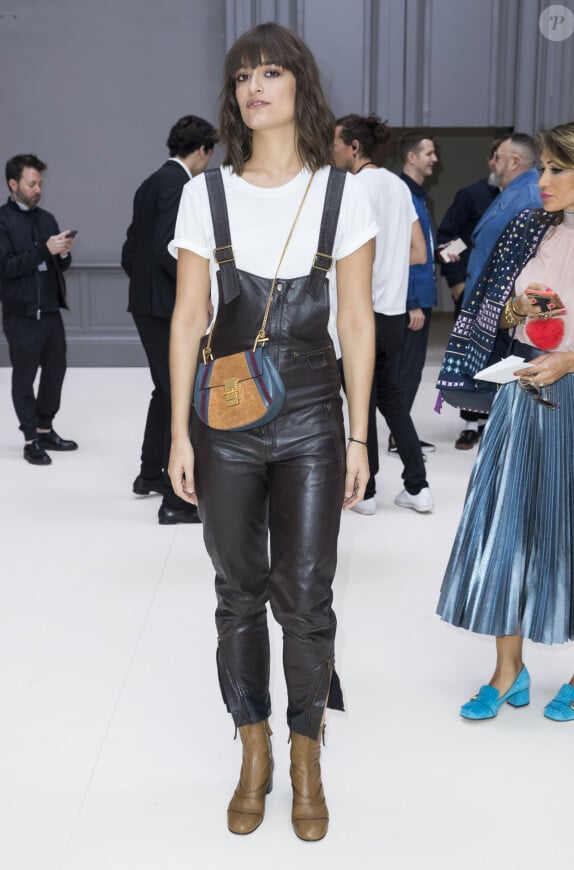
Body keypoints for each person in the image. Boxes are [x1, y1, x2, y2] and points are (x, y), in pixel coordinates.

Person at [167, 23, 376, 839]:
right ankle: (252, 750)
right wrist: (179, 437)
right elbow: (189, 319)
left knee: (307, 595)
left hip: (316, 416)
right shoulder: (203, 194)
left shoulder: (342, 192)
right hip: (225, 416)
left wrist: (361, 437)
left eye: (272, 72)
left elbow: (356, 322)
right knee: (237, 590)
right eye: (243, 75)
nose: (257, 86)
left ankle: (306, 756)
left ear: (299, 86)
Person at [437, 120, 574, 724]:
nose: (539, 180)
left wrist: (572, 358)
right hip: (522, 394)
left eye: (555, 169)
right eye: (540, 167)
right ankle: (508, 670)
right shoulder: (530, 228)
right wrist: (513, 311)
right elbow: (493, 315)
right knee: (506, 526)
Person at [334, 113, 433, 514]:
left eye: (336, 142)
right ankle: (418, 487)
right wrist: (388, 269)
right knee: (392, 401)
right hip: (392, 316)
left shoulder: (350, 189)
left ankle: (367, 492)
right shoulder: (398, 186)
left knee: (360, 401)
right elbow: (419, 253)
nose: (331, 149)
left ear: (354, 146)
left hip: (360, 314)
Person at [121, 115, 218, 524]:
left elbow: (131, 250)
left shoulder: (150, 183)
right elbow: (167, 249)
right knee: (180, 391)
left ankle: (149, 475)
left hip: (146, 304)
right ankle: (176, 502)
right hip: (166, 308)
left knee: (165, 390)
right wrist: (194, 296)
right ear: (201, 151)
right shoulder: (181, 186)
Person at [439, 133, 541, 449]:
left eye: (497, 156)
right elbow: (458, 240)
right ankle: (479, 427)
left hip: (506, 311)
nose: (491, 162)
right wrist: (457, 279)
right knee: (482, 378)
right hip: (483, 302)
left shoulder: (529, 197)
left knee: (499, 381)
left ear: (514, 161)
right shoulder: (491, 193)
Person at [0, 154, 78, 465]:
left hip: (49, 310)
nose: (38, 190)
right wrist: (44, 250)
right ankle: (30, 438)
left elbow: (60, 265)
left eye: (40, 184)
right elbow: (6, 267)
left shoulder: (46, 219)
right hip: (21, 314)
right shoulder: (2, 221)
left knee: (56, 372)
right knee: (24, 377)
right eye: (32, 184)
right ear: (13, 184)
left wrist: (63, 253)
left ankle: (46, 428)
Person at [436, 140, 500, 449]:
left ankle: (493, 421)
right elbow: (447, 239)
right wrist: (457, 282)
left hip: (506, 297)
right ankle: (469, 423)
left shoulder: (525, 197)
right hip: (472, 290)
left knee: (498, 356)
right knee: (469, 356)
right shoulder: (472, 196)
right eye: (498, 156)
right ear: (491, 160)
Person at [397, 130, 439, 452]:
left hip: (421, 294)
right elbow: (401, 252)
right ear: (412, 157)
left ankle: (402, 435)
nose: (434, 159)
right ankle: (400, 438)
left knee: (411, 370)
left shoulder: (418, 196)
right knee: (407, 371)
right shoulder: (403, 195)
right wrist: (411, 302)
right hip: (413, 299)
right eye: (429, 153)